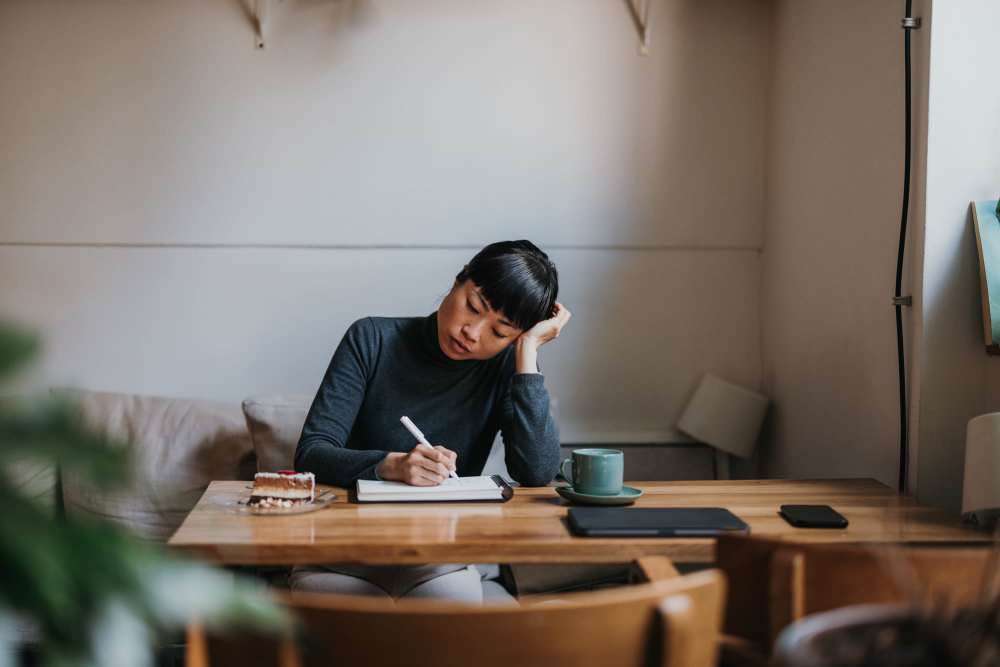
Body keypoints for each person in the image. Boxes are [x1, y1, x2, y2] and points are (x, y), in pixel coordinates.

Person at [290, 240, 571, 602]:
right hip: (344, 548)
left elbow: (537, 472)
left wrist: (527, 353)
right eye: (473, 307)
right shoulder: (372, 339)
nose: (472, 332)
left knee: (453, 605)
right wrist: (390, 466)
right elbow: (311, 453)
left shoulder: (503, 368)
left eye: (499, 332)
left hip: (442, 554)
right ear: (458, 281)